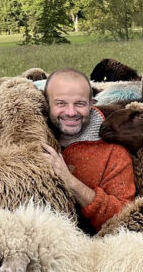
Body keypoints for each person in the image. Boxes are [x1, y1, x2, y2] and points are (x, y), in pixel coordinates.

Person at [41, 68, 136, 232]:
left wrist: (70, 181)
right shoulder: (32, 143)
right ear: (47, 104)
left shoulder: (113, 153)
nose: (71, 112)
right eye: (61, 103)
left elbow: (124, 218)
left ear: (91, 104)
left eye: (79, 104)